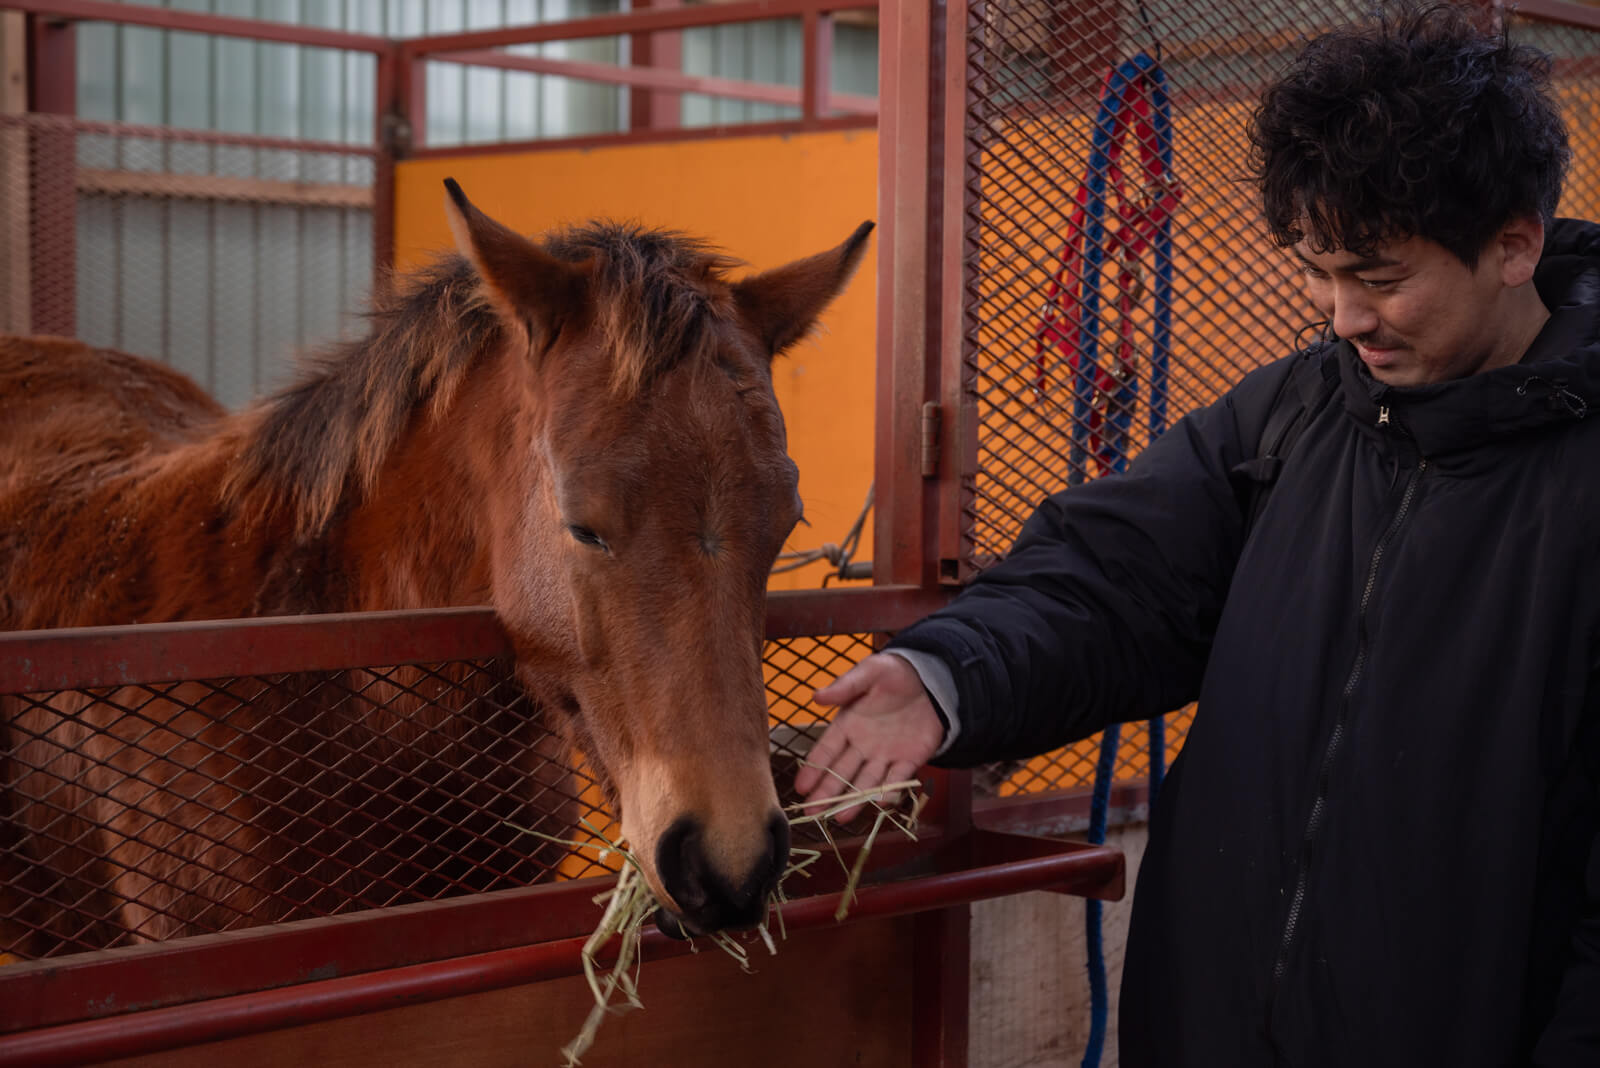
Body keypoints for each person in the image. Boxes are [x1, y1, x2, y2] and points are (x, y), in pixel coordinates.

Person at [795, 6, 1599, 1065]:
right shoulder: (1294, 415)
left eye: (1380, 277)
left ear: (1512, 244)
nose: (1341, 316)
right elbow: (1111, 578)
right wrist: (948, 674)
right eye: (1316, 270)